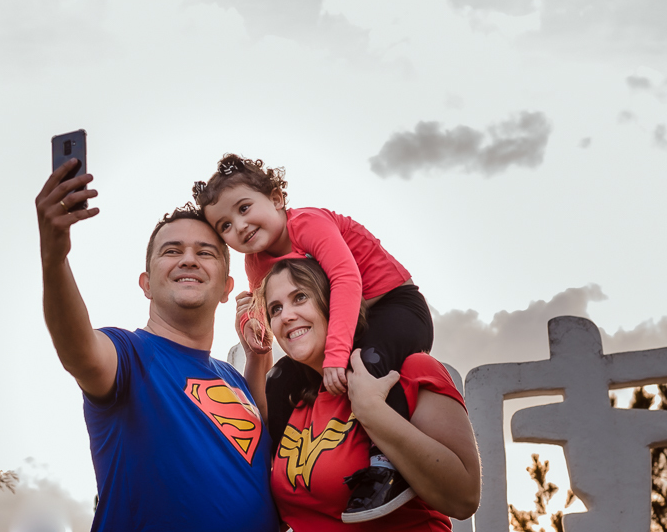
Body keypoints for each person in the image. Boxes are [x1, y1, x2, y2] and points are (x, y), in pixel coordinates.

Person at [36, 159, 278, 532]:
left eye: (205, 252)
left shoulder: (233, 378)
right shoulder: (129, 354)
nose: (188, 260)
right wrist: (55, 260)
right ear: (146, 284)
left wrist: (258, 359)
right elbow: (79, 350)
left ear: (227, 288)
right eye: (172, 251)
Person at [193, 153, 434, 521]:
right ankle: (273, 477)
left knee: (367, 363)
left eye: (244, 208)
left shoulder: (308, 223)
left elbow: (346, 279)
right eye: (225, 225)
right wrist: (251, 323)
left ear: (276, 199)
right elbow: (270, 308)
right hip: (347, 326)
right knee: (279, 380)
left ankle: (386, 468)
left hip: (393, 307)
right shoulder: (255, 261)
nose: (239, 226)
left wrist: (337, 354)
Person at [246, 257, 480, 531]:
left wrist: (373, 412)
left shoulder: (408, 371)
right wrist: (256, 357)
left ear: (335, 303)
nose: (286, 315)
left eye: (300, 297)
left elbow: (464, 499)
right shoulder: (294, 403)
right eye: (275, 309)